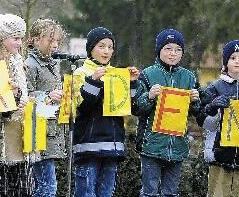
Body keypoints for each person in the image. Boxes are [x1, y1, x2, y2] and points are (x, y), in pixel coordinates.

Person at [72, 27, 140, 197]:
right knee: (86, 193)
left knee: (106, 193)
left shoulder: (117, 74)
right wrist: (93, 81)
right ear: (91, 48)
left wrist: (131, 83)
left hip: (112, 144)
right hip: (88, 145)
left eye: (110, 47)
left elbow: (129, 107)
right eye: (101, 46)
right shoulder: (80, 73)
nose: (106, 51)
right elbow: (81, 108)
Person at [132, 28, 200, 197]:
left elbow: (196, 113)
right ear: (159, 50)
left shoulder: (189, 77)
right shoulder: (147, 75)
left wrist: (196, 100)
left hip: (178, 146)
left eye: (178, 50)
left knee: (171, 193)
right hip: (151, 146)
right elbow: (136, 109)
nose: (173, 54)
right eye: (168, 48)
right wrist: (149, 96)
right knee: (149, 193)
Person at [202, 40, 239, 197]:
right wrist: (213, 107)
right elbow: (206, 124)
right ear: (225, 62)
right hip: (219, 155)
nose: (237, 61)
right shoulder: (214, 87)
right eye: (232, 58)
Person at [0, 13, 30, 196]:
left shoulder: (17, 60)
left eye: (21, 38)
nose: (19, 43)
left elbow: (21, 92)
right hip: (1, 127)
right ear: (2, 38)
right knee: (0, 181)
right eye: (15, 38)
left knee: (19, 180)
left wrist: (20, 95)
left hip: (17, 124)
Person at [24, 18, 67, 196]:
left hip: (52, 129)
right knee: (47, 186)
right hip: (37, 132)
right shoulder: (30, 65)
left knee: (46, 185)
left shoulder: (54, 64)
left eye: (57, 40)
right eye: (51, 40)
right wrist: (47, 96)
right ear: (35, 39)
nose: (55, 45)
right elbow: (25, 97)